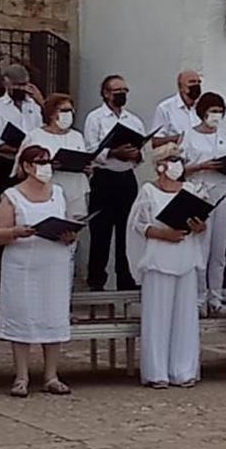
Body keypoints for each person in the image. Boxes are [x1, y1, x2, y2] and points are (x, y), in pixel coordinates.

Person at [0, 142, 78, 397]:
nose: (45, 167)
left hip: (54, 263)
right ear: (27, 166)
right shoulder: (12, 196)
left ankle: (51, 375)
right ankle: (21, 376)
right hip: (23, 265)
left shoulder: (58, 193)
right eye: (39, 162)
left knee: (53, 314)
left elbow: (69, 223)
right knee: (23, 315)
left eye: (48, 162)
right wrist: (16, 232)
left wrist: (69, 235)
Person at [128, 143, 205, 388]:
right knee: (157, 316)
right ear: (161, 165)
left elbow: (202, 223)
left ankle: (183, 369)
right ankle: (156, 371)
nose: (177, 164)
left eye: (179, 159)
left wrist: (198, 226)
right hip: (159, 257)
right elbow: (138, 225)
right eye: (172, 159)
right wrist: (164, 234)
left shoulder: (191, 189)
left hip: (185, 255)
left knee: (185, 316)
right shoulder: (149, 191)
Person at [180, 90, 226, 314]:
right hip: (200, 193)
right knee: (201, 249)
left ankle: (216, 296)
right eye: (212, 111)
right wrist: (201, 166)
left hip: (223, 193)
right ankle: (198, 298)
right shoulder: (189, 136)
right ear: (202, 113)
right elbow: (179, 169)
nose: (216, 115)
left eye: (219, 111)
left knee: (219, 250)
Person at [82, 75, 145, 292]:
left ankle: (125, 278)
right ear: (106, 93)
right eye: (117, 90)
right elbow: (90, 149)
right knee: (101, 232)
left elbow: (142, 151)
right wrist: (114, 152)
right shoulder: (96, 118)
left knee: (126, 232)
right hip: (104, 178)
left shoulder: (133, 120)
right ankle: (96, 281)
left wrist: (135, 154)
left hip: (126, 179)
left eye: (125, 90)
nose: (122, 94)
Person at [23, 92, 91, 222]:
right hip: (47, 189)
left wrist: (87, 168)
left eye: (71, 110)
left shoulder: (77, 136)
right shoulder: (36, 136)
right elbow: (23, 166)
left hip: (74, 188)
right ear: (52, 112)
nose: (69, 114)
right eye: (65, 110)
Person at [0, 63, 43, 163]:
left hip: (33, 161)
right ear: (6, 83)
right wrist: (20, 151)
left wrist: (41, 101)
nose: (21, 89)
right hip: (6, 161)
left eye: (24, 85)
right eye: (17, 85)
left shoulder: (34, 105)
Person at [149, 69, 203, 144]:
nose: (196, 85)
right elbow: (155, 141)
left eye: (199, 82)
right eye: (192, 82)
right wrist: (180, 138)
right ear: (180, 87)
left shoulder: (203, 107)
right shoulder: (165, 108)